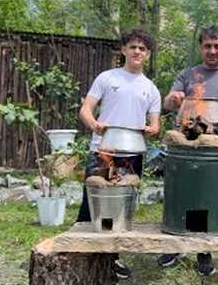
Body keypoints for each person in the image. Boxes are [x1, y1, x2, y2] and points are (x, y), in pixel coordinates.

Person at [160, 26, 218, 276]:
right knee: (182, 192)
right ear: (201, 47)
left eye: (217, 46)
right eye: (208, 46)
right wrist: (175, 98)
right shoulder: (187, 74)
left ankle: (204, 251)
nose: (212, 51)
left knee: (207, 196)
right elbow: (167, 103)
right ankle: (175, 245)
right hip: (188, 137)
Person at [76, 29, 161, 280]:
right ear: (123, 50)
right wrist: (94, 125)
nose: (137, 52)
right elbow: (86, 110)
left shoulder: (151, 88)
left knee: (122, 208)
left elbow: (155, 124)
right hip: (104, 149)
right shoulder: (107, 77)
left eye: (142, 49)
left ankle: (111, 259)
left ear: (147, 54)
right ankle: (82, 257)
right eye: (133, 47)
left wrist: (152, 129)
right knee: (92, 205)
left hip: (132, 153)